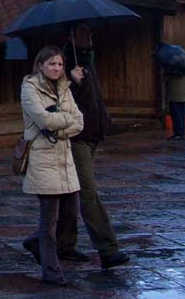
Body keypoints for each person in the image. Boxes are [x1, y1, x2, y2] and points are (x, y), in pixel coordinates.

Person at [33, 23, 130, 270]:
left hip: (93, 133)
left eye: (91, 32)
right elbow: (52, 100)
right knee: (88, 193)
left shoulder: (87, 60)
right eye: (84, 34)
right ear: (72, 36)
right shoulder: (62, 65)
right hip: (75, 139)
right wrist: (71, 81)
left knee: (71, 195)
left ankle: (56, 244)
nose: (90, 37)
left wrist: (104, 120)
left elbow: (93, 98)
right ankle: (108, 250)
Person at [19, 46, 84, 286]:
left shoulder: (65, 88)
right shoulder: (30, 88)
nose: (56, 68)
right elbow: (43, 119)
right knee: (50, 220)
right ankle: (51, 270)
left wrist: (60, 122)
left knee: (71, 212)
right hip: (43, 158)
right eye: (51, 64)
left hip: (64, 159)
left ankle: (34, 242)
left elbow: (80, 122)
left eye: (59, 64)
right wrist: (65, 120)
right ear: (40, 65)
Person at [166, 69, 185, 140]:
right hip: (184, 96)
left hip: (174, 96)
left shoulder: (171, 70)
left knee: (176, 116)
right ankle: (181, 133)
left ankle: (177, 134)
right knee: (182, 116)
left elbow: (165, 79)